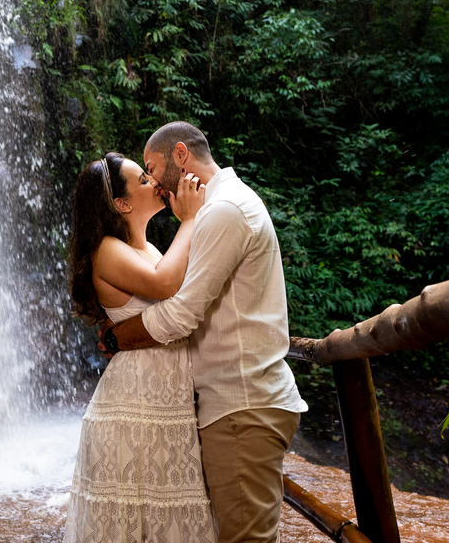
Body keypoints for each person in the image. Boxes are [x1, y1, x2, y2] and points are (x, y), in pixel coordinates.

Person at [99, 122, 307, 543]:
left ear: (180, 155)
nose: (153, 181)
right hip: (232, 405)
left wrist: (118, 337)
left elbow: (180, 315)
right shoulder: (220, 208)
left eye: (152, 168)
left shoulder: (223, 211)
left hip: (241, 405)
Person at [63, 151, 217, 543]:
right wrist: (191, 218)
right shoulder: (106, 249)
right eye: (144, 181)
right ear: (122, 204)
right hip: (134, 403)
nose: (157, 183)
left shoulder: (147, 248)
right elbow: (165, 285)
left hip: (160, 398)